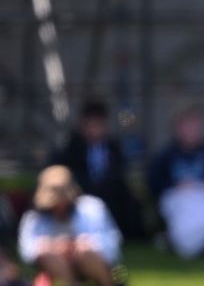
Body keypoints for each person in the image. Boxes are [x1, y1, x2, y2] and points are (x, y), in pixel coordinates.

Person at [18, 165, 124, 286]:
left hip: (91, 260)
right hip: (56, 265)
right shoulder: (34, 217)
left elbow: (112, 242)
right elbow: (27, 251)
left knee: (85, 250)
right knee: (46, 251)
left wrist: (81, 244)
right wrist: (54, 246)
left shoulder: (92, 208)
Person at [147, 105, 204, 258]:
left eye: (195, 125)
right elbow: (154, 183)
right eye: (188, 125)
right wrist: (175, 185)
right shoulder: (167, 155)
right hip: (180, 197)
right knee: (184, 212)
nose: (192, 130)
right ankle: (198, 244)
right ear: (178, 128)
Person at [50, 99, 146, 239]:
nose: (95, 129)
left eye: (99, 125)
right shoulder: (71, 148)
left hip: (111, 195)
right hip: (81, 193)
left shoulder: (113, 148)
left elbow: (119, 174)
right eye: (92, 125)